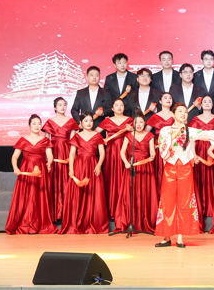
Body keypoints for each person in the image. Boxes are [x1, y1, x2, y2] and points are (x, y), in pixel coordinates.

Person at [154, 104, 214, 247]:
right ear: (173, 114)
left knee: (185, 201)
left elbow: (208, 134)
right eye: (180, 111)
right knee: (167, 201)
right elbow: (163, 147)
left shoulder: (190, 131)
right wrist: (176, 133)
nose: (183, 114)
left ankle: (180, 237)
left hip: (185, 168)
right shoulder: (166, 130)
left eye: (185, 112)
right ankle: (166, 237)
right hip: (170, 168)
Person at [59, 114, 108, 234]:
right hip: (79, 166)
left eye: (91, 121)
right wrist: (71, 169)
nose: (89, 123)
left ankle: (93, 223)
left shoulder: (97, 135)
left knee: (94, 193)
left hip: (93, 165)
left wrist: (99, 165)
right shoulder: (77, 136)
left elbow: (102, 153)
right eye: (86, 121)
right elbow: (72, 154)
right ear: (80, 123)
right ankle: (77, 222)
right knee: (78, 193)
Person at [6, 114, 55, 234]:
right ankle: (26, 222)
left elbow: (49, 155)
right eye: (34, 123)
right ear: (29, 126)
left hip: (41, 170)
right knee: (26, 196)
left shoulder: (45, 140)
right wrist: (15, 168)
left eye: (39, 123)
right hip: (26, 170)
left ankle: (39, 223)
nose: (37, 126)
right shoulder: (23, 140)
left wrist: (49, 162)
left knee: (39, 196)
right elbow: (15, 156)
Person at [98, 98, 134, 232]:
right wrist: (102, 140)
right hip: (111, 153)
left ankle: (125, 210)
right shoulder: (107, 121)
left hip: (125, 152)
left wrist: (132, 129)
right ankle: (113, 210)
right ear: (112, 108)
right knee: (112, 179)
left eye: (121, 105)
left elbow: (139, 134)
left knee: (125, 180)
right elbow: (94, 133)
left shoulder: (130, 120)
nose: (119, 107)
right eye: (116, 105)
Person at [120, 114, 157, 235]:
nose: (139, 125)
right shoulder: (128, 135)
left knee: (145, 192)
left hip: (145, 166)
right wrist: (126, 163)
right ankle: (132, 222)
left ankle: (145, 222)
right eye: (136, 123)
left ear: (145, 123)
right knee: (132, 193)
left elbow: (152, 151)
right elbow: (122, 151)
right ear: (133, 125)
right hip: (131, 165)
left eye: (141, 122)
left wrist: (152, 155)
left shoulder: (150, 135)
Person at [42, 97, 78, 223]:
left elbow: (73, 142)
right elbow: (47, 142)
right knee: (54, 182)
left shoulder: (71, 121)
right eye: (60, 105)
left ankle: (68, 215)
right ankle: (55, 214)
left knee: (68, 182)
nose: (63, 107)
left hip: (67, 153)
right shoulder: (49, 122)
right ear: (55, 107)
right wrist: (48, 157)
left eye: (64, 104)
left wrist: (72, 157)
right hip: (54, 153)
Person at [190, 95, 214, 218]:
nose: (207, 103)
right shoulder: (195, 120)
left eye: (210, 101)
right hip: (199, 150)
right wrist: (194, 155)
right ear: (201, 104)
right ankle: (200, 210)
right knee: (200, 178)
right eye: (205, 101)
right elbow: (191, 139)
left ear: (213, 104)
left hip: (212, 150)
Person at [145, 93, 177, 191]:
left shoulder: (176, 115)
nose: (168, 99)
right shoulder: (155, 116)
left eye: (170, 98)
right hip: (159, 148)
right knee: (160, 172)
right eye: (165, 98)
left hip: (174, 148)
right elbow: (145, 133)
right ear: (160, 101)